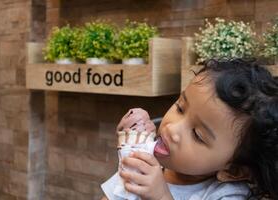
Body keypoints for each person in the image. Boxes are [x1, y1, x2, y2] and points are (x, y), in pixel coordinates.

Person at [102, 59, 278, 200]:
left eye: (197, 135)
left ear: (233, 170)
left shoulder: (227, 194)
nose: (172, 128)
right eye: (180, 108)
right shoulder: (145, 164)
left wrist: (161, 196)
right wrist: (129, 148)